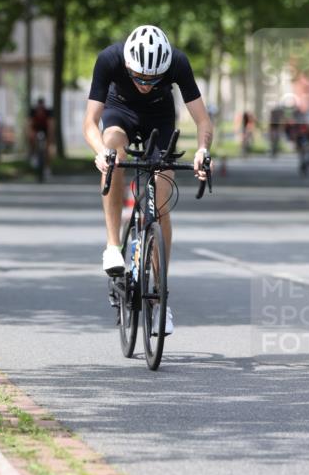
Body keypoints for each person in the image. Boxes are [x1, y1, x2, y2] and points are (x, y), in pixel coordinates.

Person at [83, 24, 213, 336]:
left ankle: (160, 299)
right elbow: (90, 122)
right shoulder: (110, 59)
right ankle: (112, 245)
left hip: (160, 118)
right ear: (127, 64)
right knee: (113, 150)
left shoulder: (178, 62)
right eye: (138, 77)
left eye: (153, 79)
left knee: (162, 194)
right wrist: (101, 152)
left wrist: (202, 151)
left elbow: (203, 120)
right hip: (120, 112)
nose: (144, 84)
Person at [26, 97, 54, 172]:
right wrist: (30, 134)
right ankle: (33, 154)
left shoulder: (48, 112)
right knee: (32, 138)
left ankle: (47, 167)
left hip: (45, 129)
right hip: (36, 128)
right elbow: (29, 123)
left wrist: (50, 137)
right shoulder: (33, 111)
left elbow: (51, 125)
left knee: (48, 149)